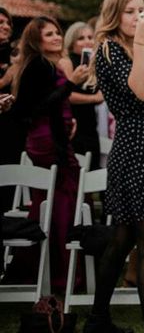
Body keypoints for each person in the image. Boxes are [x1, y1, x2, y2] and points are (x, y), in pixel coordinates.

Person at [84, 0, 144, 333]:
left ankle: (97, 319)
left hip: (143, 146)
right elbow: (140, 93)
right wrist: (140, 43)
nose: (138, 17)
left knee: (122, 240)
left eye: (141, 10)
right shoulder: (109, 48)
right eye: (130, 11)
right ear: (114, 14)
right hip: (136, 149)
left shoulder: (126, 47)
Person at [11, 16, 89, 291]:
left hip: (55, 137)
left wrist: (68, 121)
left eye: (58, 32)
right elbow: (36, 107)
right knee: (61, 203)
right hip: (48, 143)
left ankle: (40, 269)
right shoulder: (38, 66)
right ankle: (61, 275)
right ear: (36, 40)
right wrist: (71, 83)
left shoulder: (44, 65)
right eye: (49, 34)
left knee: (50, 203)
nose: (57, 37)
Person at [59, 22, 103, 171]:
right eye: (81, 38)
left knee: (92, 170)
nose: (87, 41)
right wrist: (95, 98)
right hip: (74, 124)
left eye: (90, 37)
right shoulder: (67, 62)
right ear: (71, 42)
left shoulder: (93, 64)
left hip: (91, 125)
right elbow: (67, 94)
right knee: (76, 172)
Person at [0, 8, 25, 213]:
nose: (6, 26)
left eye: (8, 22)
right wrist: (4, 80)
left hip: (12, 125)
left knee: (10, 178)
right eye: (0, 22)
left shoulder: (15, 53)